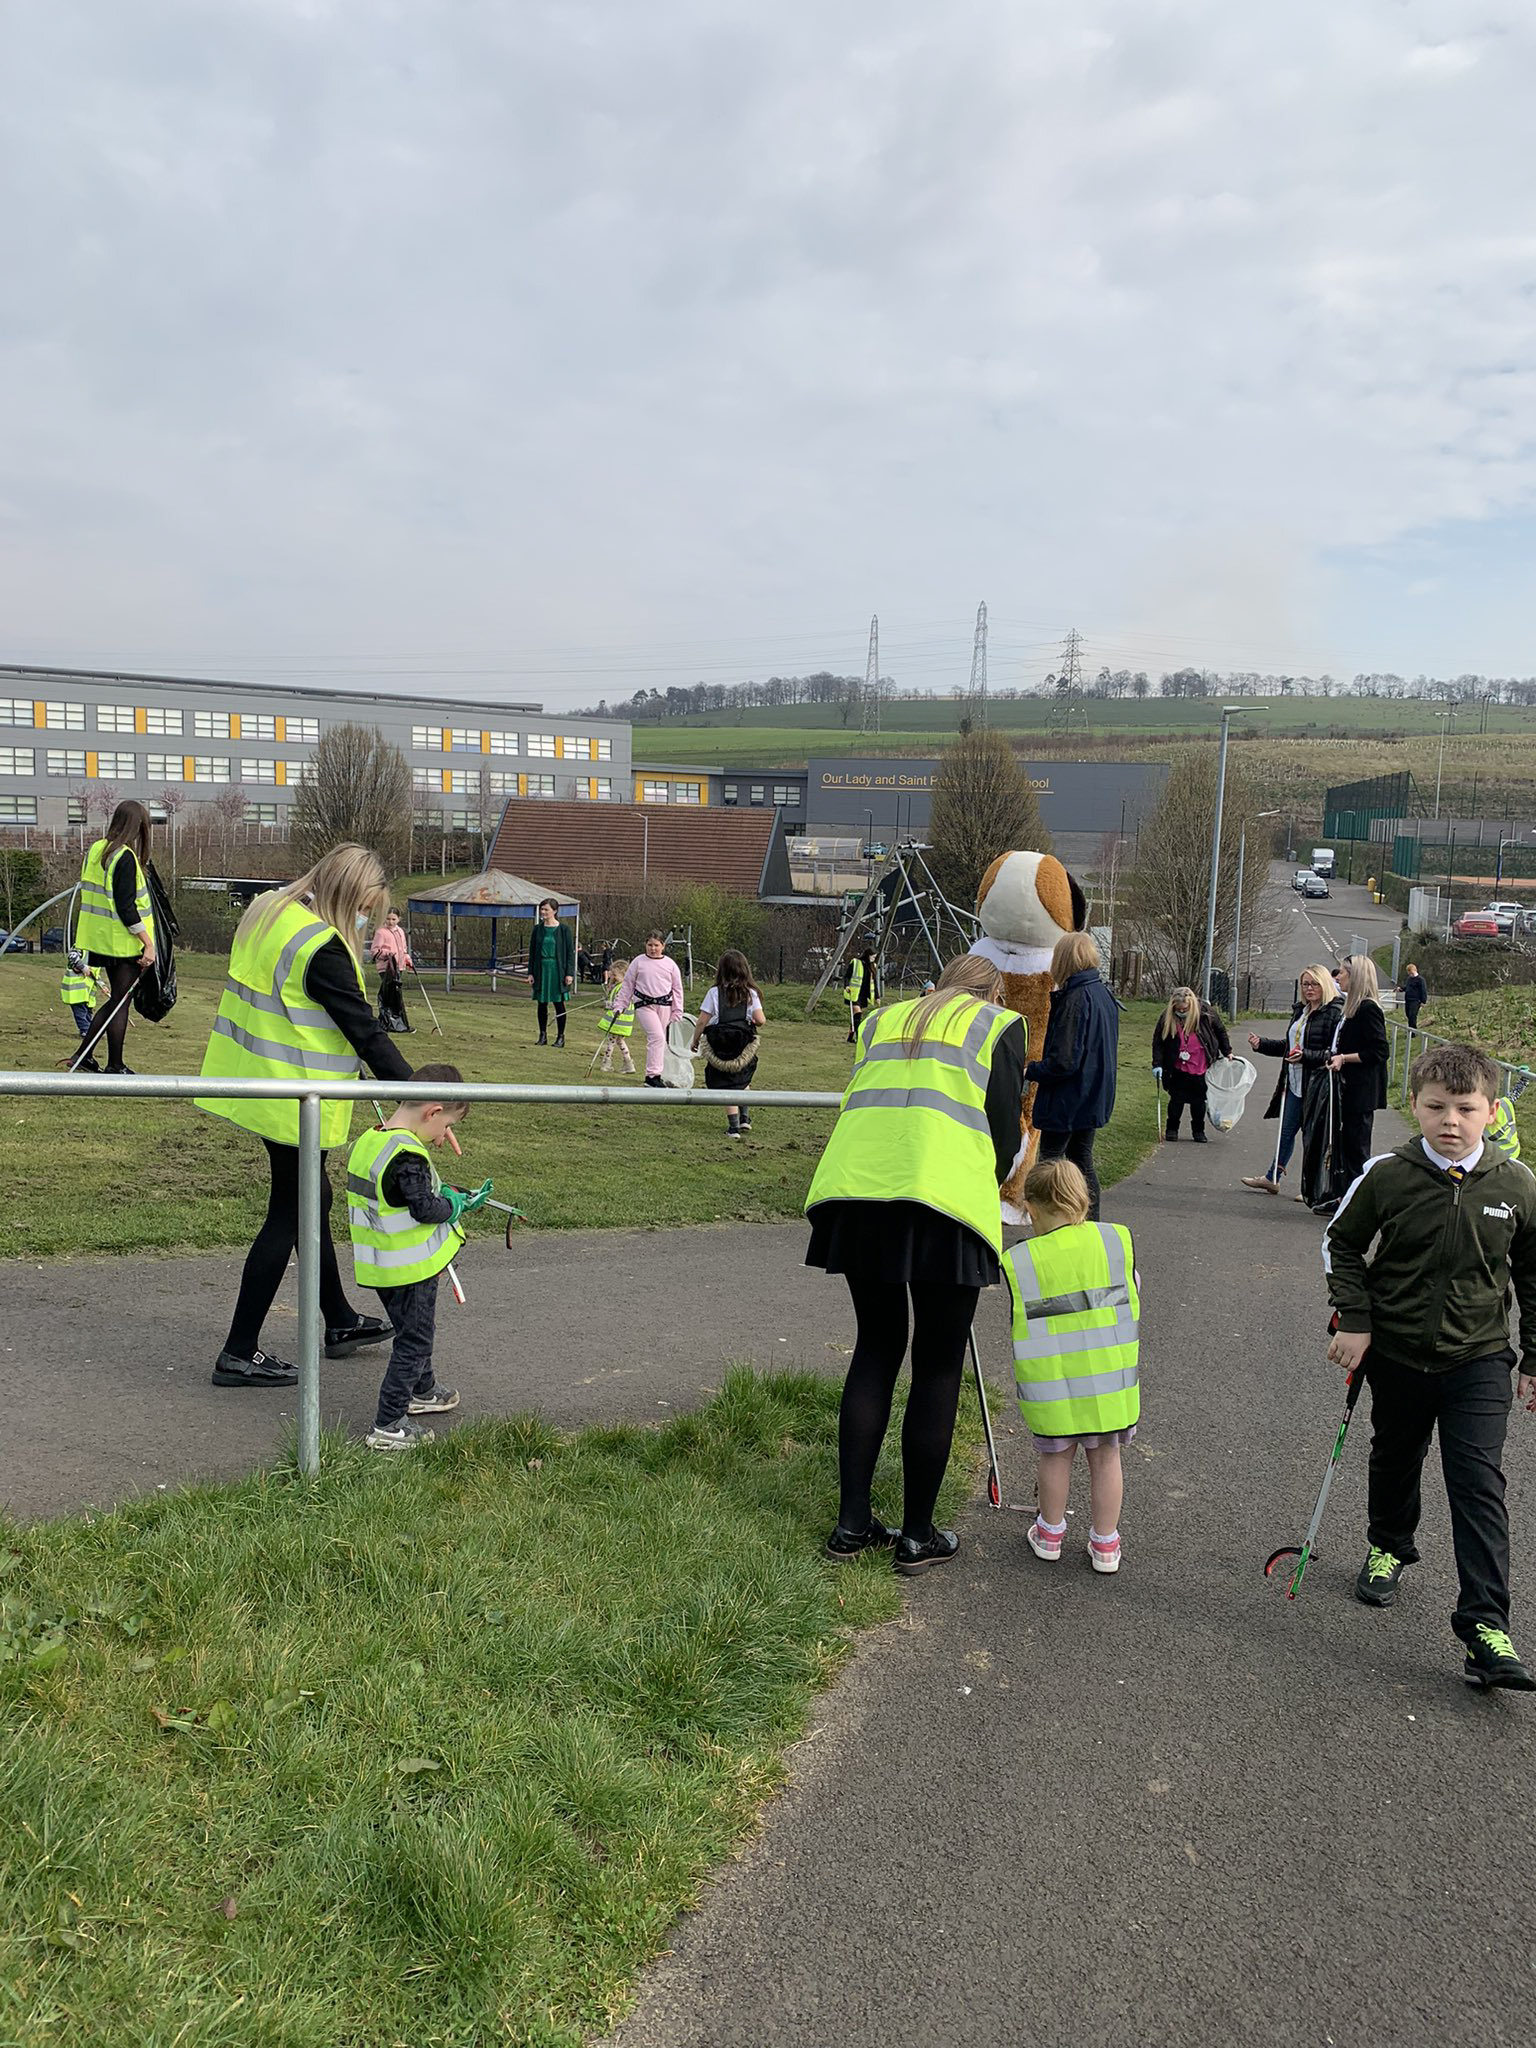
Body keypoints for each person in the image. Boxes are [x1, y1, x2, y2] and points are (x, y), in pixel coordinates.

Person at [806, 951, 1027, 1575]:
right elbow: (1004, 1137)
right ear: (993, 991)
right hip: (942, 1202)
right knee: (936, 1364)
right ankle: (918, 1534)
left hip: (858, 1192)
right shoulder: (997, 1026)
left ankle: (852, 1525)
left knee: (876, 1348)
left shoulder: (881, 1019)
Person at [1323, 1042, 1536, 1690]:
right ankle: (1389, 1544)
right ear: (1413, 1105)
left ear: (1490, 1110)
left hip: (1479, 1357)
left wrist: (1533, 1360)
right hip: (1397, 1352)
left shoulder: (1516, 1185)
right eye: (1436, 1106)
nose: (1450, 1120)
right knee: (1395, 1455)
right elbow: (1344, 1244)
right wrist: (1355, 1321)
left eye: (1465, 1108)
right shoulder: (1389, 1174)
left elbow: (1532, 1274)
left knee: (1477, 1481)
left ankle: (1485, 1629)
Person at [196, 843, 412, 1389]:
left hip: (260, 1078)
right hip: (290, 1096)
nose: (364, 919)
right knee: (290, 1213)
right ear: (345, 896)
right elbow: (365, 1031)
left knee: (312, 1199)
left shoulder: (271, 910)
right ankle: (238, 1350)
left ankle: (337, 1319)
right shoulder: (322, 948)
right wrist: (420, 1097)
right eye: (364, 907)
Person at [1005, 1157, 1140, 1574]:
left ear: (1035, 1208)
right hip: (1108, 1385)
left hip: (1054, 1388)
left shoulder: (1022, 1259)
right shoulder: (1115, 1241)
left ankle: (1049, 1533)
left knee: (1055, 1458)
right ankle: (1105, 1545)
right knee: (1106, 1459)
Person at [346, 1064, 491, 1452]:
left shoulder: (373, 1139)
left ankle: (423, 1390)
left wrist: (448, 1194)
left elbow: (399, 1195)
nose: (443, 1137)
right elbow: (425, 1207)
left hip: (382, 1266)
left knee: (413, 1332)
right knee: (414, 1341)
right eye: (445, 1126)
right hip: (409, 1270)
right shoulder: (408, 1154)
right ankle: (389, 1424)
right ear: (432, 1112)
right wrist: (455, 1205)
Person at [1026, 930, 1118, 1219]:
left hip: (1069, 1096)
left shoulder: (1075, 999)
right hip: (1092, 1092)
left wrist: (1033, 1070)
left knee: (1049, 1163)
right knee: (1081, 1158)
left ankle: (1049, 1223)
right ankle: (1090, 1222)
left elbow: (1063, 1061)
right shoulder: (1103, 993)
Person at [1241, 965, 1342, 1202]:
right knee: (1285, 1133)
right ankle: (1272, 1177)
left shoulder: (1334, 1013)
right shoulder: (1301, 1011)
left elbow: (1334, 1052)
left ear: (1324, 984)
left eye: (1314, 984)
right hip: (1294, 1082)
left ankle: (1311, 1186)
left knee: (1313, 1137)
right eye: (1305, 984)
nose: (1309, 989)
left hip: (1317, 1085)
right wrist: (1262, 1044)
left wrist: (1306, 1056)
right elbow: (1289, 1047)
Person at [74, 797, 157, 1074]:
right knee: (121, 1002)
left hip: (100, 939)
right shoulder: (125, 857)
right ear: (138, 827)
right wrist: (147, 943)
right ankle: (114, 1064)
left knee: (117, 1000)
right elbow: (126, 907)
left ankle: (84, 1056)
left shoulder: (97, 849)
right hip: (122, 943)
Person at [1322, 954, 1389, 1208]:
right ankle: (1343, 1197)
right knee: (1344, 1145)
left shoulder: (1368, 1008)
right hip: (1347, 1089)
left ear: (1356, 976)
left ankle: (1357, 1203)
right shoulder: (1350, 1008)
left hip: (1361, 1093)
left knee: (1357, 1148)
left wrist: (1344, 1058)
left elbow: (1380, 1051)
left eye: (1342, 973)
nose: (1337, 977)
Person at [692, 948, 766, 1138]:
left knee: (726, 1085)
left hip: (720, 1046)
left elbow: (702, 1020)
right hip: (743, 1046)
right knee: (743, 1079)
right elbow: (761, 1019)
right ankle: (744, 1118)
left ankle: (733, 1127)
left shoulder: (714, 993)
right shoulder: (751, 993)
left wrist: (695, 1040)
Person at [1150, 985, 1231, 1143]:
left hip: (1200, 1065)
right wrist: (1157, 1063)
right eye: (1178, 1009)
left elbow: (1221, 1031)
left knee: (1199, 1102)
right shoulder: (1167, 1017)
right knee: (1176, 1101)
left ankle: (1198, 1131)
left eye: (1184, 1009)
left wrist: (1227, 1051)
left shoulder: (1205, 1013)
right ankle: (1172, 1129)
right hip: (1177, 1066)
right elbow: (1158, 1041)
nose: (1181, 1012)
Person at [617, 933, 684, 1088]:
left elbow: (677, 989)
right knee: (657, 1037)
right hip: (644, 1005)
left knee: (660, 1041)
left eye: (656, 945)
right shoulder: (638, 962)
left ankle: (658, 1075)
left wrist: (677, 1010)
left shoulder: (670, 964)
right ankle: (652, 1076)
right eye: (650, 945)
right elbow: (628, 985)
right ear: (645, 945)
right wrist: (621, 1004)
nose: (653, 949)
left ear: (663, 946)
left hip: (664, 1005)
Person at [527, 897, 575, 1046]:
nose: (543, 912)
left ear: (554, 911)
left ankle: (560, 1036)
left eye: (546, 909)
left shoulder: (564, 930)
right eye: (542, 909)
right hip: (541, 968)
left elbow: (569, 953)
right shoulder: (537, 929)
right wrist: (530, 972)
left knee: (558, 1003)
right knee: (542, 1003)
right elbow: (532, 952)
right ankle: (542, 1035)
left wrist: (569, 973)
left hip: (557, 970)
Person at [59, 949, 108, 1071]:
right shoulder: (82, 948)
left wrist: (102, 985)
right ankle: (85, 1030)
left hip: (87, 994)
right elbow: (72, 957)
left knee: (87, 1013)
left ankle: (89, 1029)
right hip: (76, 992)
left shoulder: (97, 955)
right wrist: (82, 967)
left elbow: (95, 975)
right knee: (80, 1013)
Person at [369, 908, 413, 1034]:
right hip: (386, 968)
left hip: (399, 967)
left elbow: (403, 950)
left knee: (396, 995)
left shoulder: (400, 932)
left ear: (399, 919)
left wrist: (407, 959)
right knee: (390, 994)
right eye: (388, 919)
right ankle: (390, 1023)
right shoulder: (381, 933)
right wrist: (387, 954)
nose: (390, 922)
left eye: (393, 919)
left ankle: (397, 1022)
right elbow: (375, 951)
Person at [596, 958, 637, 1075]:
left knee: (612, 1041)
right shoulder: (618, 986)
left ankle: (607, 1062)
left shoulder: (624, 988)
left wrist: (609, 1005)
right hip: (620, 1021)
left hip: (619, 1020)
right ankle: (628, 1063)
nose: (613, 977)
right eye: (612, 974)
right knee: (618, 1041)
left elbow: (620, 1004)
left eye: (615, 975)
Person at [842, 949, 878, 1044]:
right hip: (854, 994)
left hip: (864, 995)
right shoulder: (855, 962)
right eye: (873, 956)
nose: (874, 959)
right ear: (868, 955)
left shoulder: (873, 966)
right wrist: (846, 986)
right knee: (858, 1013)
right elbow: (847, 976)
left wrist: (877, 997)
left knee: (856, 1016)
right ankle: (859, 1037)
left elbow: (874, 982)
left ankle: (850, 1036)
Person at [1402, 961, 1428, 1030]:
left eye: (1412, 973)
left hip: (1416, 1000)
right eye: (1409, 973)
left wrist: (1423, 1001)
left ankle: (1413, 1031)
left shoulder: (1420, 980)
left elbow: (1423, 991)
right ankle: (1411, 1029)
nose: (1411, 975)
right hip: (1408, 999)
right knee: (1408, 1014)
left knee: (1412, 1015)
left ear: (1415, 971)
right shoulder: (1409, 979)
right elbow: (1407, 987)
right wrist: (1401, 989)